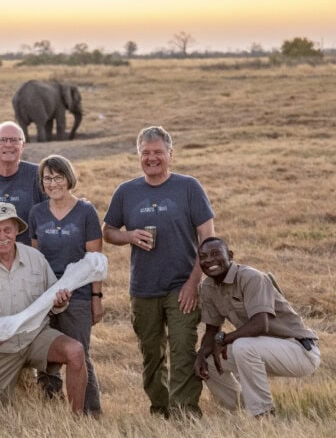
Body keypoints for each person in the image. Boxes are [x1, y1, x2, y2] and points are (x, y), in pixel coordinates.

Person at [103, 125, 214, 418]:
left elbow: (208, 240)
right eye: (146, 153)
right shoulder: (126, 191)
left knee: (182, 350)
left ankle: (185, 412)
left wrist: (194, 284)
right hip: (143, 287)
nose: (152, 158)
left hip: (182, 286)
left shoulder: (189, 187)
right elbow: (109, 231)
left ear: (170, 155)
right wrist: (129, 236)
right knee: (151, 355)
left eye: (158, 153)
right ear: (138, 155)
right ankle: (160, 408)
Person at [0, 202, 88, 415]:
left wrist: (60, 302)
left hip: (35, 338)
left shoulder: (35, 259)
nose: (2, 236)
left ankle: (77, 419)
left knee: (75, 351)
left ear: (16, 230)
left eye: (8, 229)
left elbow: (53, 302)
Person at [194, 237, 320, 417]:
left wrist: (225, 339)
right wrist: (200, 354)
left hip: (299, 351)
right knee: (209, 361)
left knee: (242, 346)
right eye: (203, 256)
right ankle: (239, 411)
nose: (209, 260)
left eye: (215, 254)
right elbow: (211, 331)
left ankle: (263, 414)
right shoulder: (207, 287)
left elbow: (260, 325)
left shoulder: (251, 277)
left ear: (229, 255)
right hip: (260, 349)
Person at [29, 154, 104, 415]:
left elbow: (95, 261)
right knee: (45, 356)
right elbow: (35, 260)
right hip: (45, 296)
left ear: (68, 178)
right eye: (47, 178)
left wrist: (96, 297)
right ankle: (51, 409)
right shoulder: (37, 213)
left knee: (80, 355)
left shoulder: (85, 212)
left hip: (78, 296)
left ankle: (89, 413)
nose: (53, 183)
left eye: (58, 177)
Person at [0, 121, 46, 245]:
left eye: (14, 140)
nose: (8, 144)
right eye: (2, 140)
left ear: (23, 145)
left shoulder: (39, 174)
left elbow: (56, 207)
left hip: (29, 255)